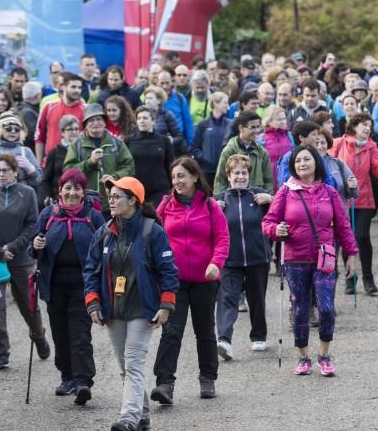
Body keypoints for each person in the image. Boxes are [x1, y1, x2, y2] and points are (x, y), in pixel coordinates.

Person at [84, 176, 177, 431]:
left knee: (133, 363)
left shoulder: (152, 231)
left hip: (142, 308)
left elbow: (169, 271)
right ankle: (143, 415)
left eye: (117, 197)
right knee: (126, 367)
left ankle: (128, 418)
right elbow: (91, 269)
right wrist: (93, 302)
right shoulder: (104, 231)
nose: (111, 201)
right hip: (113, 309)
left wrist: (166, 305)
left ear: (133, 200)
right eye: (110, 196)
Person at [262, 145, 359, 376]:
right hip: (295, 260)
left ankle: (324, 355)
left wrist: (352, 255)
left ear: (316, 162)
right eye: (297, 161)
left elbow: (344, 226)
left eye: (306, 159)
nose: (302, 164)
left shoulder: (330, 192)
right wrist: (278, 230)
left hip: (323, 257)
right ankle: (303, 356)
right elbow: (267, 223)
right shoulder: (285, 192)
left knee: (326, 309)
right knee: (301, 309)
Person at [151, 157, 229, 404]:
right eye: (174, 177)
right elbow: (152, 235)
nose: (177, 181)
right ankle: (165, 384)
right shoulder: (165, 206)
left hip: (205, 280)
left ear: (195, 177)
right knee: (171, 331)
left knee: (205, 331)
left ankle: (208, 378)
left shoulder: (210, 206)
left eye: (182, 176)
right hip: (173, 282)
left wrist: (216, 263)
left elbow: (222, 239)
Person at [30, 169, 105, 403]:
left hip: (84, 286)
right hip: (54, 286)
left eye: (77, 188)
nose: (72, 193)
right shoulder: (48, 214)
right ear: (60, 190)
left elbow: (106, 248)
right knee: (60, 333)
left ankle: (83, 381)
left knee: (80, 334)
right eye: (68, 188)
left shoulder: (94, 216)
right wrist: (36, 244)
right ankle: (66, 376)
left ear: (84, 192)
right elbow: (32, 249)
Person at [0, 153, 49, 372]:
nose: (1, 174)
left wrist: (13, 247)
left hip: (21, 259)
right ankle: (0, 353)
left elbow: (31, 225)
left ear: (15, 171)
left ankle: (38, 335)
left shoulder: (27, 194)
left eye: (5, 170)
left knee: (28, 305)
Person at [213, 155, 273, 360]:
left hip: (258, 257)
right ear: (228, 175)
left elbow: (281, 213)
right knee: (227, 299)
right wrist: (213, 210)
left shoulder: (260, 195)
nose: (240, 177)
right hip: (230, 259)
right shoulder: (218, 200)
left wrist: (271, 199)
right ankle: (224, 340)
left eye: (244, 173)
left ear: (249, 174)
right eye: (236, 173)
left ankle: (259, 336)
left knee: (257, 299)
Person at [330, 112, 378, 296]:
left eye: (369, 126)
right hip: (342, 200)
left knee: (362, 237)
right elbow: (329, 167)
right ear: (353, 126)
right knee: (346, 239)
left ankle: (368, 278)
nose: (367, 129)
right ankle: (350, 278)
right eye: (364, 125)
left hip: (364, 198)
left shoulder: (371, 146)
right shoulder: (339, 144)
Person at [64, 104, 134, 209]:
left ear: (105, 122)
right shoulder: (76, 145)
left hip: (111, 204)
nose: (95, 123)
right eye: (91, 120)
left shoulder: (117, 143)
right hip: (84, 203)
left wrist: (114, 178)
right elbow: (67, 172)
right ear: (85, 124)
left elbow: (129, 167)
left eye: (99, 119)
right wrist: (89, 162)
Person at [213, 111, 273, 195]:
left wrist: (268, 197)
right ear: (241, 128)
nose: (256, 131)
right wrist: (220, 201)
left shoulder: (262, 152)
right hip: (234, 200)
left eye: (258, 127)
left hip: (256, 201)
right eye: (252, 127)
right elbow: (220, 180)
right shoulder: (229, 151)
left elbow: (268, 180)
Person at [126, 107, 175, 206]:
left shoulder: (164, 140)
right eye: (139, 118)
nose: (141, 121)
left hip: (160, 190)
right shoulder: (129, 141)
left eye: (145, 118)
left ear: (153, 121)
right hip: (136, 190)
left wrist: (173, 188)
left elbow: (170, 165)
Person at [35, 72, 85, 164]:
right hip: (50, 164)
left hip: (76, 164)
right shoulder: (49, 107)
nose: (77, 90)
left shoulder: (85, 110)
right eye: (73, 87)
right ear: (64, 87)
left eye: (80, 87)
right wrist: (39, 163)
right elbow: (39, 136)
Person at [191, 92, 232, 184]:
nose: (227, 106)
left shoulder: (230, 124)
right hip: (207, 171)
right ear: (215, 103)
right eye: (225, 103)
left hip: (225, 170)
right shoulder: (203, 124)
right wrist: (205, 158)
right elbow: (194, 148)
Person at [41, 115, 80, 206]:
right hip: (58, 199)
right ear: (62, 132)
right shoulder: (54, 152)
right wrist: (47, 196)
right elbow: (47, 179)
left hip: (79, 198)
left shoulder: (83, 151)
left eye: (76, 129)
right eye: (70, 129)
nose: (74, 132)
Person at [141, 86, 185, 155]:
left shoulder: (167, 115)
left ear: (159, 100)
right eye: (146, 98)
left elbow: (179, 137)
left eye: (150, 98)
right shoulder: (141, 115)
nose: (147, 101)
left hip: (163, 153)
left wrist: (172, 141)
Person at [260, 105, 294, 190]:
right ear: (269, 121)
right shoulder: (262, 138)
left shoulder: (289, 135)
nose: (282, 121)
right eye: (279, 119)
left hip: (287, 178)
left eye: (284, 119)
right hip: (269, 179)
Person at [16, 81, 43, 150]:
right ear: (37, 96)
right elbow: (34, 136)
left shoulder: (20, 108)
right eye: (40, 93)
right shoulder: (28, 113)